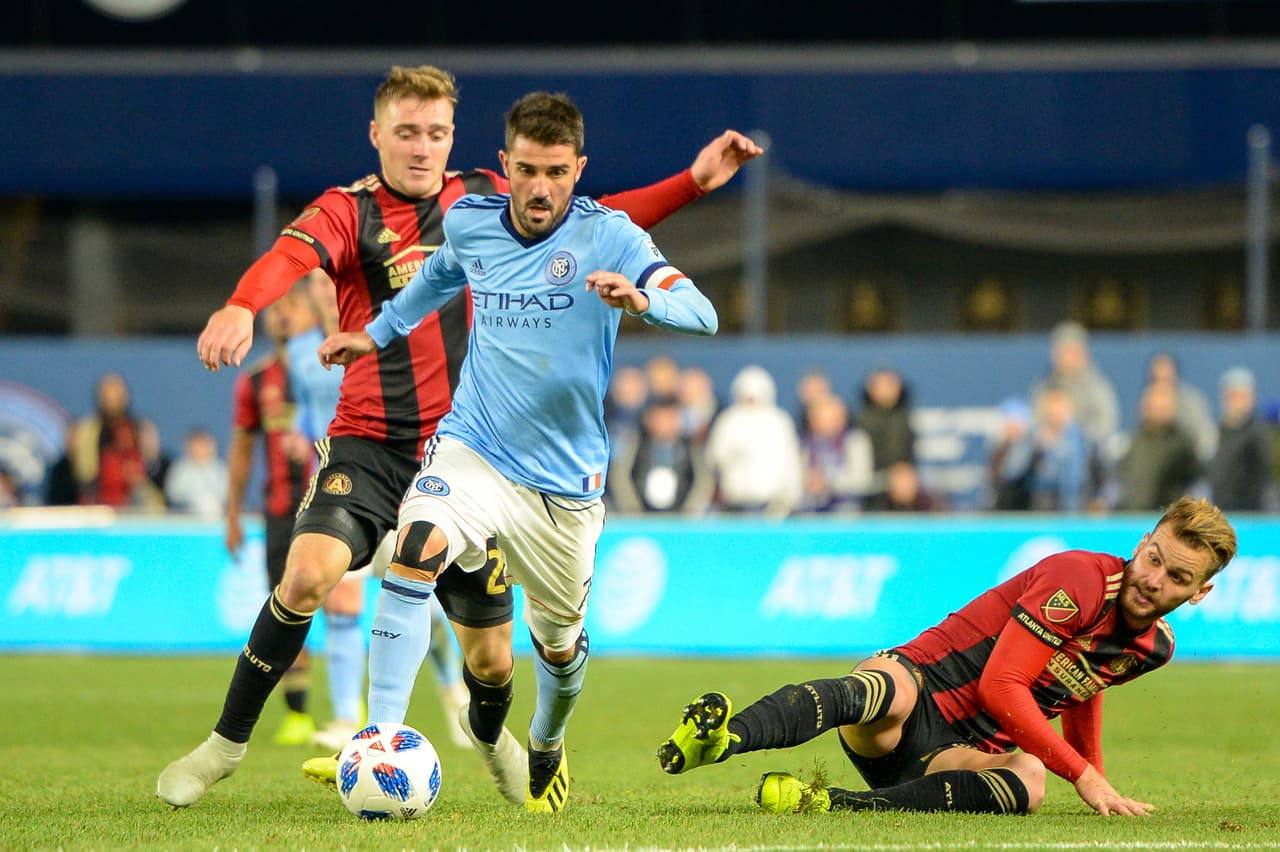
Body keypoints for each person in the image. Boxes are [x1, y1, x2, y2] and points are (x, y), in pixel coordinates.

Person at [158, 64, 760, 810]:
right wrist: (246, 305)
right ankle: (236, 746)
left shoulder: (483, 197)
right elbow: (292, 258)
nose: (421, 148)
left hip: (510, 462)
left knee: (494, 660)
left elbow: (600, 216)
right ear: (376, 134)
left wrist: (693, 183)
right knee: (309, 575)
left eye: (435, 133)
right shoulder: (350, 211)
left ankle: (496, 737)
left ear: (456, 139)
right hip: (383, 444)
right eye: (406, 132)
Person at [315, 90, 720, 813]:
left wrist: (641, 300)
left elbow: (704, 313)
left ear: (578, 169)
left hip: (564, 487)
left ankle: (547, 738)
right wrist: (374, 336)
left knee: (559, 651)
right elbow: (437, 277)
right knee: (414, 549)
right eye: (528, 170)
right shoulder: (470, 221)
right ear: (506, 164)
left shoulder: (612, 236)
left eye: (557, 172)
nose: (540, 188)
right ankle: (380, 739)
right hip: (474, 447)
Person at [657, 496, 1236, 817]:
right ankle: (727, 737)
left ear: (1199, 592)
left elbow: (1083, 690)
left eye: (1178, 575)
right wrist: (1082, 775)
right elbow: (1001, 688)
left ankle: (830, 803)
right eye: (1154, 557)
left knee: (1029, 779)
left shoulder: (1154, 649)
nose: (1155, 579)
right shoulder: (1079, 579)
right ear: (1142, 543)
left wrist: (1099, 777)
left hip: (952, 761)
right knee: (886, 689)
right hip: (915, 697)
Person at [224, 295, 318, 746]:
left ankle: (352, 709)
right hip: (282, 510)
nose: (283, 312)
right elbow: (243, 448)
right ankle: (298, 713)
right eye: (275, 306)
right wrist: (232, 512)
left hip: (337, 502)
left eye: (292, 303)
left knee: (344, 606)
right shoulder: (258, 380)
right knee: (287, 607)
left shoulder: (336, 366)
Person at [701, 365, 803, 517]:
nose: (751, 401)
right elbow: (713, 460)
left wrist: (791, 498)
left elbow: (791, 465)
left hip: (773, 506)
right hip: (735, 505)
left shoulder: (779, 422)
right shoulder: (729, 421)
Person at [1116, 382, 1200, 512]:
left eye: (1163, 407)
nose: (1159, 411)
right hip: (1135, 514)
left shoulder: (1182, 443)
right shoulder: (1137, 439)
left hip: (1167, 517)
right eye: (1154, 407)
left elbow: (1194, 479)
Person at [1207, 366, 1273, 511]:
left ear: (1252, 398)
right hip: (1220, 511)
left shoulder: (1258, 434)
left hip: (1250, 514)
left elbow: (1261, 480)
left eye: (1242, 396)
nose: (1237, 401)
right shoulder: (1217, 431)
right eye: (1232, 396)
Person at [163, 428, 229, 517]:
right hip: (187, 520)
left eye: (204, 445)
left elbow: (228, 497)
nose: (200, 449)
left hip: (218, 520)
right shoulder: (180, 469)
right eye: (197, 445)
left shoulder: (221, 469)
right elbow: (174, 496)